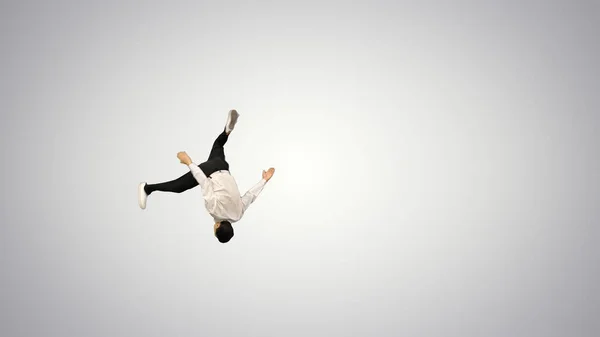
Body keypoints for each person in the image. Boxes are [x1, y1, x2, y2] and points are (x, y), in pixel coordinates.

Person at [138, 110, 276, 243]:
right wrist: (189, 162)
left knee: (218, 146)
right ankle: (147, 188)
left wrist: (264, 180)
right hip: (210, 171)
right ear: (217, 227)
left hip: (223, 167)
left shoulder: (238, 215)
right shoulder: (214, 211)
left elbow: (250, 196)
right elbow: (204, 183)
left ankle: (226, 132)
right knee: (179, 186)